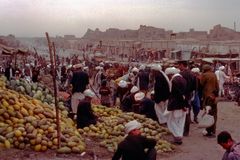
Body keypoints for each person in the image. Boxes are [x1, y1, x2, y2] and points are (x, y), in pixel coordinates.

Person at [165, 67, 187, 145]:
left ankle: (177, 137)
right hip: (182, 104)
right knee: (180, 122)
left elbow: (177, 94)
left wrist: (182, 105)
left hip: (176, 105)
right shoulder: (183, 79)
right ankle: (178, 136)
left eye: (168, 75)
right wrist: (185, 105)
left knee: (171, 121)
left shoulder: (174, 80)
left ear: (171, 74)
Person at [178, 60, 196, 136]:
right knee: (187, 112)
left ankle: (183, 130)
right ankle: (186, 131)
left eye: (179, 65)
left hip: (183, 95)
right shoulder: (192, 73)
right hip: (189, 95)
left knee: (183, 113)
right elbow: (195, 86)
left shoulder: (181, 74)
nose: (179, 67)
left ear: (182, 65)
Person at [200, 64, 219, 137]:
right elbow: (217, 86)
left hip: (207, 97)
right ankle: (213, 130)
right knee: (214, 114)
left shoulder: (204, 75)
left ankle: (209, 131)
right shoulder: (214, 75)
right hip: (213, 96)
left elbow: (201, 84)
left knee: (208, 113)